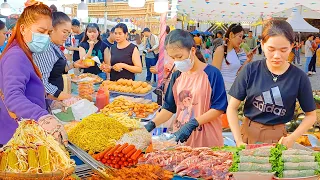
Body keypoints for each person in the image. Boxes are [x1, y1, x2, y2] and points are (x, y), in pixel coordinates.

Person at [227, 20, 316, 148]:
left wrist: (292, 137)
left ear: (292, 46)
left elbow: (311, 115)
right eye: (271, 49)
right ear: (262, 45)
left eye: (283, 50)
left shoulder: (299, 77)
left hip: (278, 138)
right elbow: (232, 107)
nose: (276, 56)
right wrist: (238, 140)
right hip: (247, 134)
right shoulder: (250, 70)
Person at [144, 29, 228, 147]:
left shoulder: (212, 74)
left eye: (179, 56)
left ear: (192, 50)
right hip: (180, 140)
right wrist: (151, 124)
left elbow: (219, 108)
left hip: (206, 141)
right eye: (173, 58)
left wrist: (193, 123)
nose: (176, 61)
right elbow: (169, 108)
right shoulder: (176, 76)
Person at [0, 1, 68, 146]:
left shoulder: (25, 53)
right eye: (41, 31)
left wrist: (49, 103)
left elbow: (27, 93)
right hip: (14, 138)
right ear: (23, 29)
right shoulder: (16, 56)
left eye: (48, 32)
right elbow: (13, 97)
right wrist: (42, 116)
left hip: (23, 132)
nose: (45, 37)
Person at [33, 12, 87, 101]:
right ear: (51, 29)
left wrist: (74, 65)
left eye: (68, 33)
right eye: (64, 32)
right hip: (47, 100)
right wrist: (70, 97)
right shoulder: (45, 49)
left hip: (56, 98)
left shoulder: (54, 46)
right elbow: (42, 84)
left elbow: (57, 70)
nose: (66, 36)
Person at [213, 24, 253, 95]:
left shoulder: (235, 52)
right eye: (239, 36)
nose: (241, 40)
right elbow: (214, 74)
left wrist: (247, 60)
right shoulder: (220, 50)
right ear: (231, 35)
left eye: (242, 37)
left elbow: (238, 72)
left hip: (235, 90)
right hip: (223, 90)